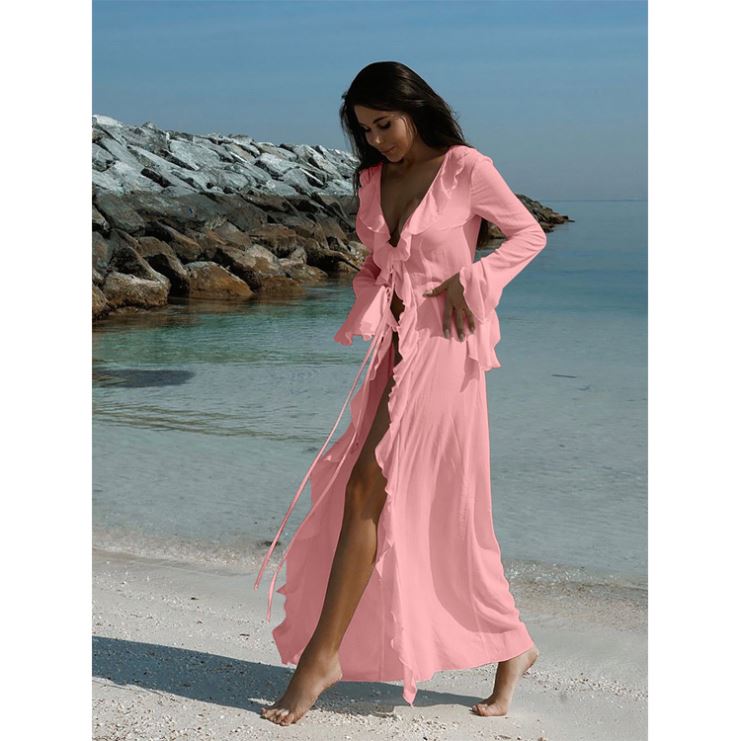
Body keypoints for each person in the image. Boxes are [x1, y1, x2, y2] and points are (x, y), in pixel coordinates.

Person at [255, 61, 547, 726]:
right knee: (433, 506)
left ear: (415, 109)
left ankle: (320, 659)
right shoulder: (371, 181)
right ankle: (512, 643)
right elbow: (374, 262)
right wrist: (370, 302)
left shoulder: (465, 168)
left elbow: (526, 234)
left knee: (368, 485)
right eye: (365, 130)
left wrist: (472, 280)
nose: (377, 139)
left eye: (384, 124)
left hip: (447, 344)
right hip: (394, 347)